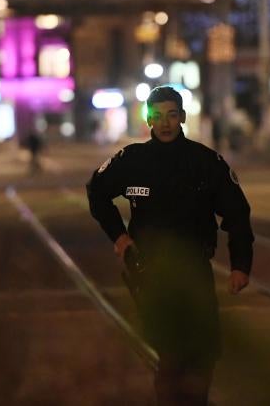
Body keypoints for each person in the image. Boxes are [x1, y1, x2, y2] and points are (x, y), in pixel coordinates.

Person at [87, 86, 254, 406]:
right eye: (157, 116)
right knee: (171, 356)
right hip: (151, 273)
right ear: (148, 119)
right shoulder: (132, 159)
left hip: (195, 270)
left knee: (204, 352)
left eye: (172, 115)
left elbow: (237, 213)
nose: (164, 123)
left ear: (182, 118)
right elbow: (97, 192)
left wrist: (240, 266)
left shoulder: (205, 162)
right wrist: (119, 237)